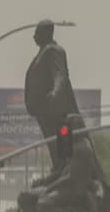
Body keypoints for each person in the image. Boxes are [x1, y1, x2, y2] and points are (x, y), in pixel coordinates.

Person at [24, 20, 79, 172]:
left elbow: (60, 75)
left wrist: (56, 92)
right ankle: (59, 168)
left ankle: (65, 169)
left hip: (54, 107)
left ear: (47, 33)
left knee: (61, 143)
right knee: (52, 143)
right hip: (43, 110)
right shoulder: (41, 53)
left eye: (37, 32)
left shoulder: (54, 50)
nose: (34, 35)